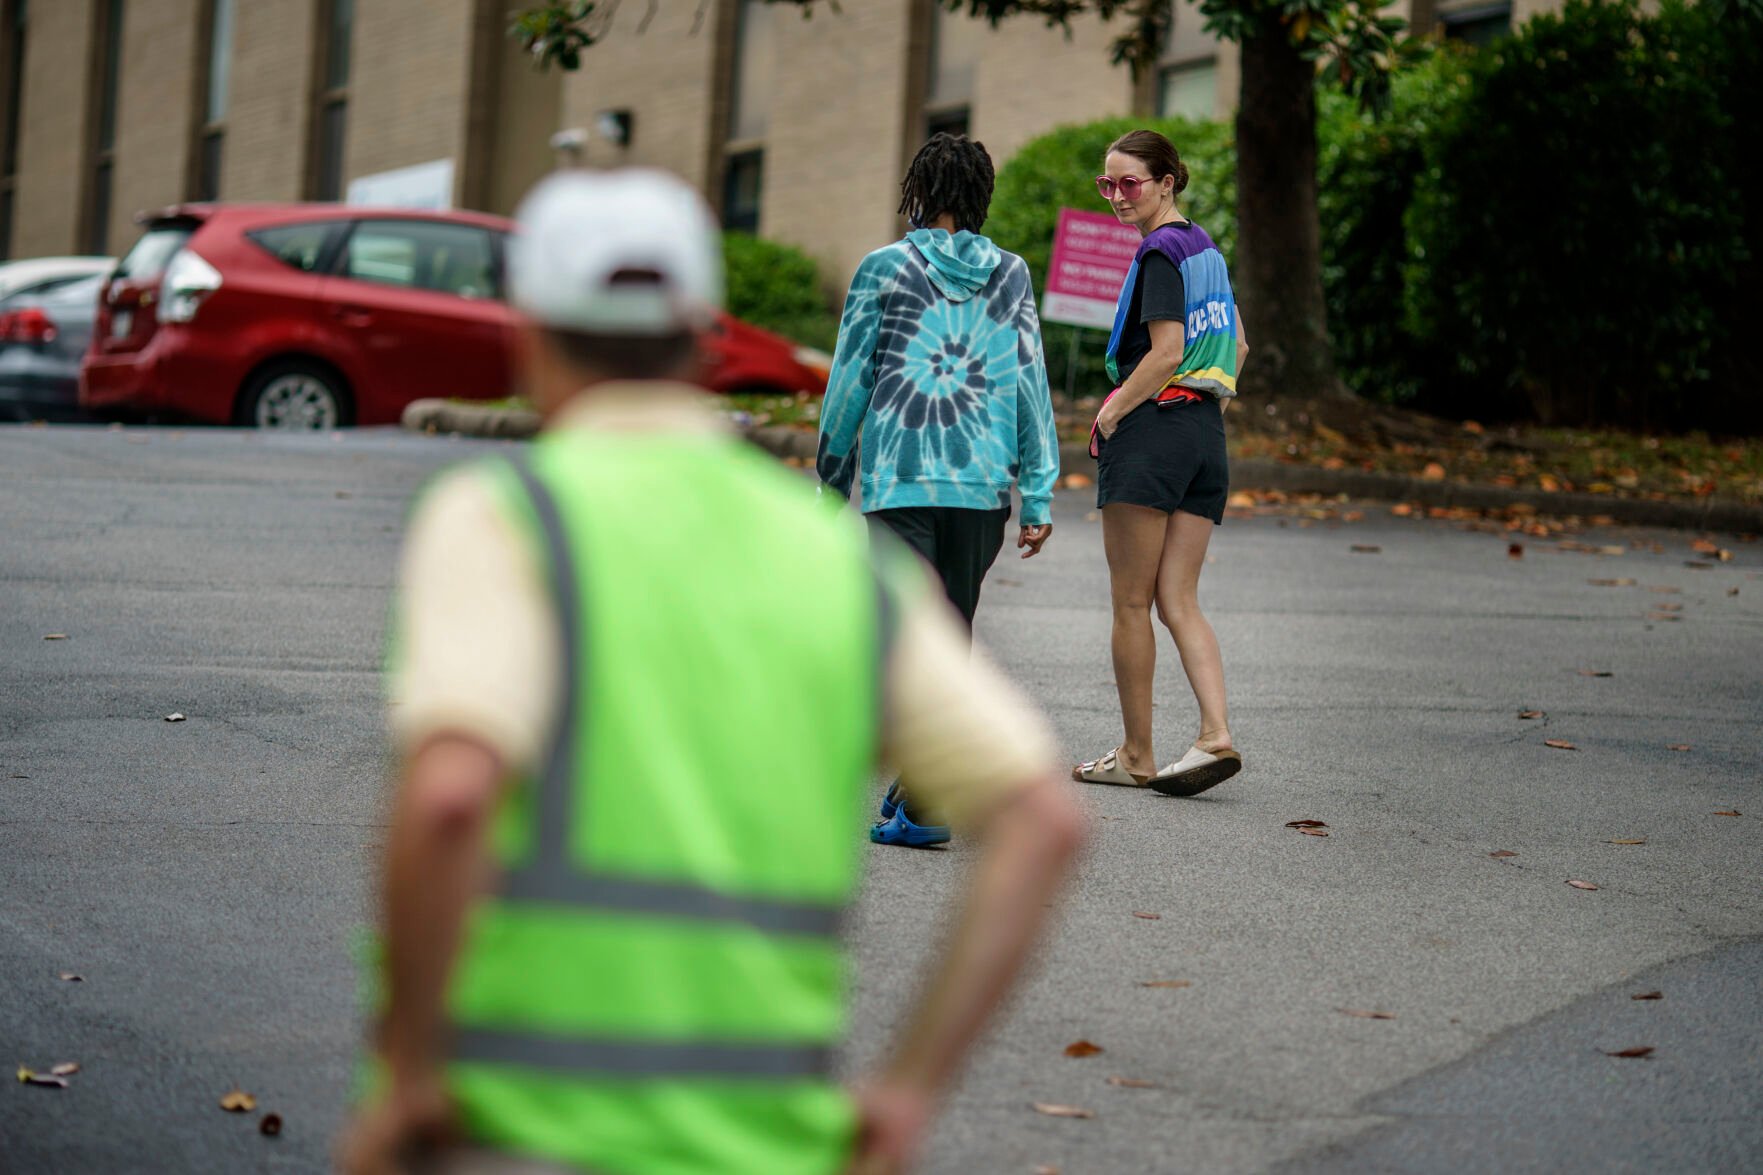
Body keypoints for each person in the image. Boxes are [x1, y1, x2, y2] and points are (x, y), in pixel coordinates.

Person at [336, 168, 1083, 1175]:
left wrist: (410, 1062)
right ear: (699, 336)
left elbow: (448, 795)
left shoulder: (506, 516)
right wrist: (904, 1092)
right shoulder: (833, 566)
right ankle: (916, 794)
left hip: (520, 1123)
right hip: (766, 1139)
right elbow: (1043, 820)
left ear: (529, 332)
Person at [817, 132, 1060, 848]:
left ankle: (925, 799)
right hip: (982, 486)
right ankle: (923, 788)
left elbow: (849, 382)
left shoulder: (883, 268)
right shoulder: (1012, 273)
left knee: (904, 641)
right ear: (980, 197)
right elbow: (1029, 383)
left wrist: (830, 479)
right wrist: (1039, 494)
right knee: (946, 638)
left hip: (900, 478)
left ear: (917, 194)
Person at [1071, 129, 1249, 798]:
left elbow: (1166, 349)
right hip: (1205, 433)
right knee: (1178, 598)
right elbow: (1239, 344)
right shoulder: (1207, 251)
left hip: (1152, 432)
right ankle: (1214, 733)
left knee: (1128, 603)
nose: (1116, 196)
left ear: (1166, 182)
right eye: (1106, 184)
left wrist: (1114, 411)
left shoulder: (1157, 254)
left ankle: (1137, 753)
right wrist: (1204, 421)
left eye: (1129, 183)